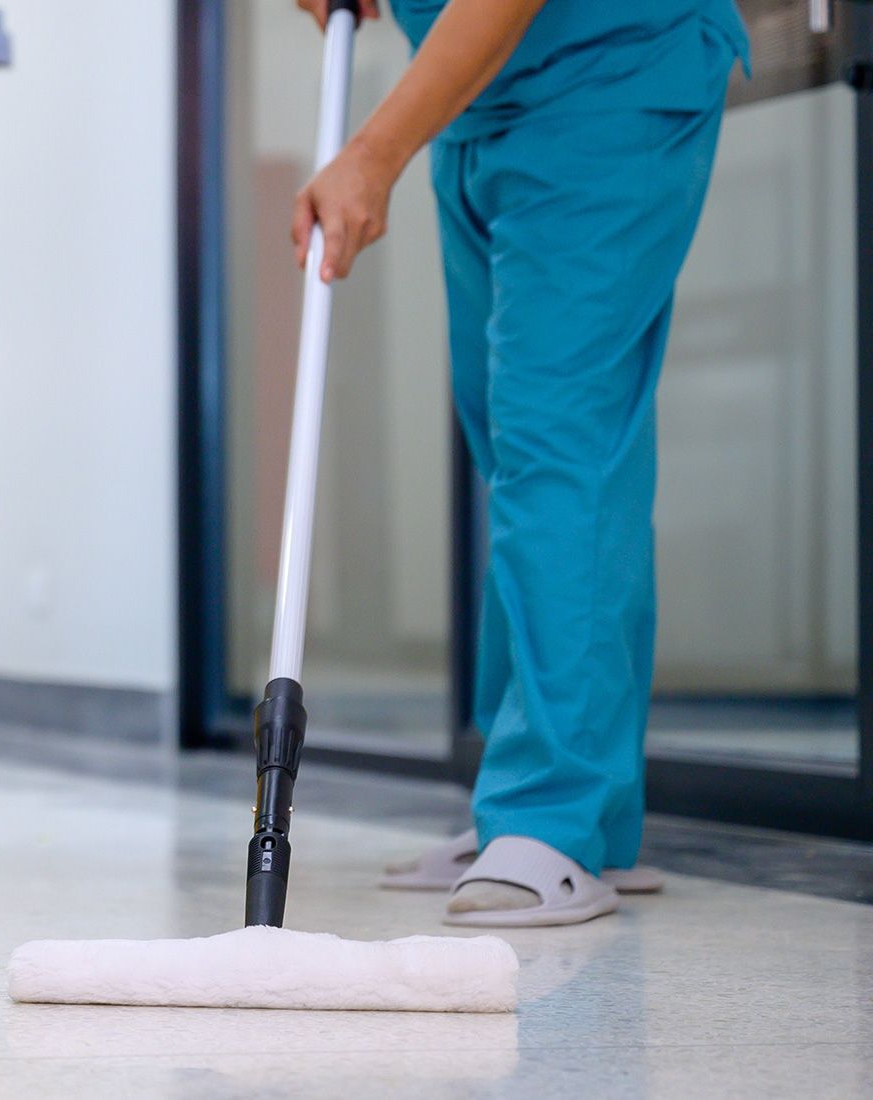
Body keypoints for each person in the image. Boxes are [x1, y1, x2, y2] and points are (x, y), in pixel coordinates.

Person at [292, 0, 749, 925]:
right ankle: (571, 813)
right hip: (480, 106)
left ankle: (551, 818)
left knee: (558, 447)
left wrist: (374, 152)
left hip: (608, 80)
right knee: (518, 459)